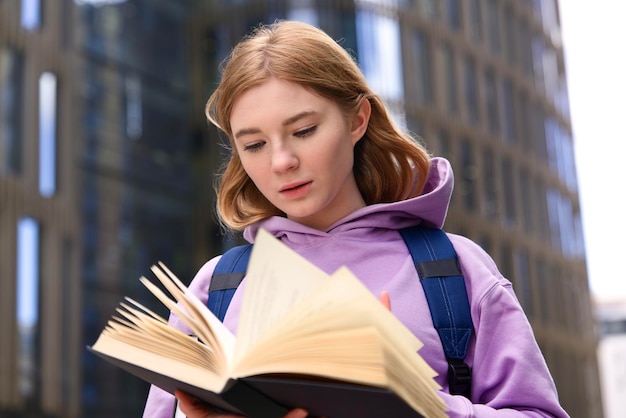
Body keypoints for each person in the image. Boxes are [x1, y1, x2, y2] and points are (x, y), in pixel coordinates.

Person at [143, 20, 570, 418]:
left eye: (304, 131)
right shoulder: (215, 287)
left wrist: (416, 402)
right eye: (253, 144)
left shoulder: (454, 270)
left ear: (358, 120)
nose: (282, 162)